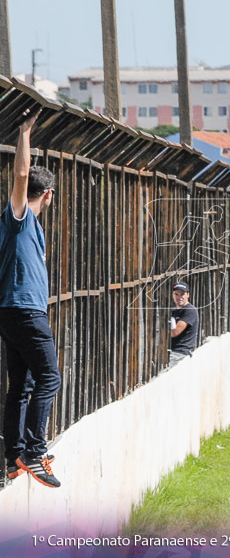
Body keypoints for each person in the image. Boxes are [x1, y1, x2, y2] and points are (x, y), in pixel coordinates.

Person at [0, 109, 61, 488]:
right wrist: (25, 132)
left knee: (20, 385)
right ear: (49, 195)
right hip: (24, 313)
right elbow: (21, 175)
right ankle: (34, 452)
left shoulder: (30, 228)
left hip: (15, 313)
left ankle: (12, 459)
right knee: (49, 378)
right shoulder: (19, 217)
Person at [168, 281, 200, 368]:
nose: (179, 297)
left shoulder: (190, 310)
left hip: (180, 353)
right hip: (171, 351)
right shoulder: (174, 311)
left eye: (182, 294)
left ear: (188, 295)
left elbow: (175, 332)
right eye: (176, 294)